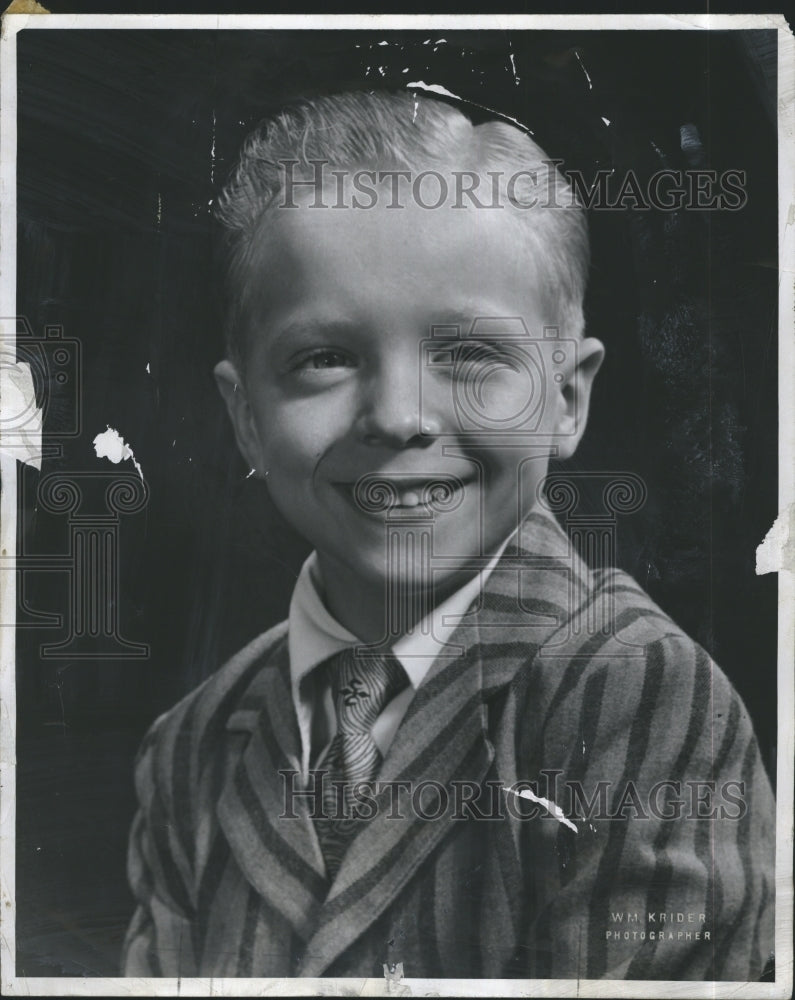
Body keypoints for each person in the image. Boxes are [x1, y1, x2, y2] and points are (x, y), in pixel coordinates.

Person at [121, 89, 775, 981]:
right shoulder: (190, 746)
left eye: (468, 354)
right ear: (245, 419)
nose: (398, 417)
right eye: (324, 358)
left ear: (566, 399)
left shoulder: (631, 693)